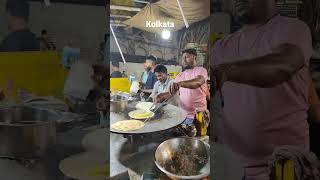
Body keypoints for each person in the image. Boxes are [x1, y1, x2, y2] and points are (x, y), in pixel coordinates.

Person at [211, 0, 314, 179]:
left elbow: (284, 64)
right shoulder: (221, 47)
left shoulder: (293, 29)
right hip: (232, 166)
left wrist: (226, 72)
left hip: (283, 168)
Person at [155, 48, 209, 125]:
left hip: (198, 116)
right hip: (182, 116)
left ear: (195, 58)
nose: (183, 60)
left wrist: (180, 83)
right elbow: (171, 92)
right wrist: (161, 96)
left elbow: (198, 82)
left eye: (186, 57)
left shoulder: (201, 70)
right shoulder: (180, 75)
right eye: (182, 58)